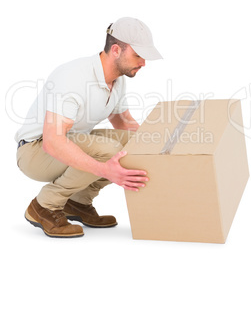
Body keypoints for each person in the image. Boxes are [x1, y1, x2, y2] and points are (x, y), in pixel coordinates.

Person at [15, 17, 163, 238]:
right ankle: (44, 206)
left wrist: (160, 145)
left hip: (69, 141)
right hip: (35, 151)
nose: (143, 63)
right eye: (138, 55)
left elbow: (125, 124)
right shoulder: (74, 77)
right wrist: (105, 171)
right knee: (108, 151)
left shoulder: (117, 80)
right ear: (116, 50)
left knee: (130, 145)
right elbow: (53, 142)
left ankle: (77, 203)